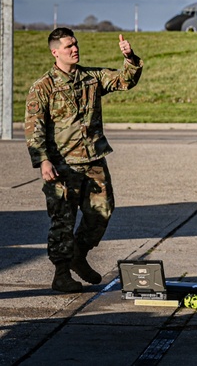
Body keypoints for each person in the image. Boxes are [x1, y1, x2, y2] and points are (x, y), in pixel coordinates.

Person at [24, 28, 143, 293]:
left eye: (75, 44)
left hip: (93, 161)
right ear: (55, 52)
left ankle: (79, 254)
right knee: (62, 220)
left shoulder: (91, 78)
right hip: (62, 165)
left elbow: (125, 80)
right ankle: (61, 274)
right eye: (69, 46)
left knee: (102, 212)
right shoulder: (43, 87)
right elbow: (34, 128)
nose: (75, 49)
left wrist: (129, 58)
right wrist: (43, 161)